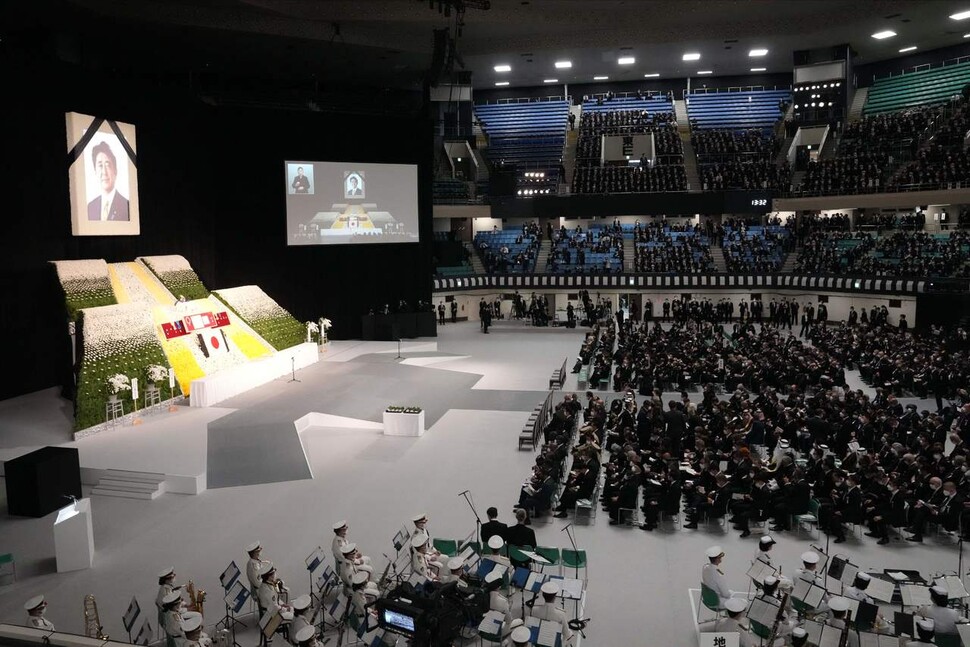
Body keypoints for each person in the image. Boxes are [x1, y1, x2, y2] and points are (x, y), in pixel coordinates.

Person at [86, 141, 129, 221]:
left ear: (115, 171)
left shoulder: (127, 206)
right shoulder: (90, 207)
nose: (104, 172)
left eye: (107, 165)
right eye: (100, 166)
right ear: (95, 171)